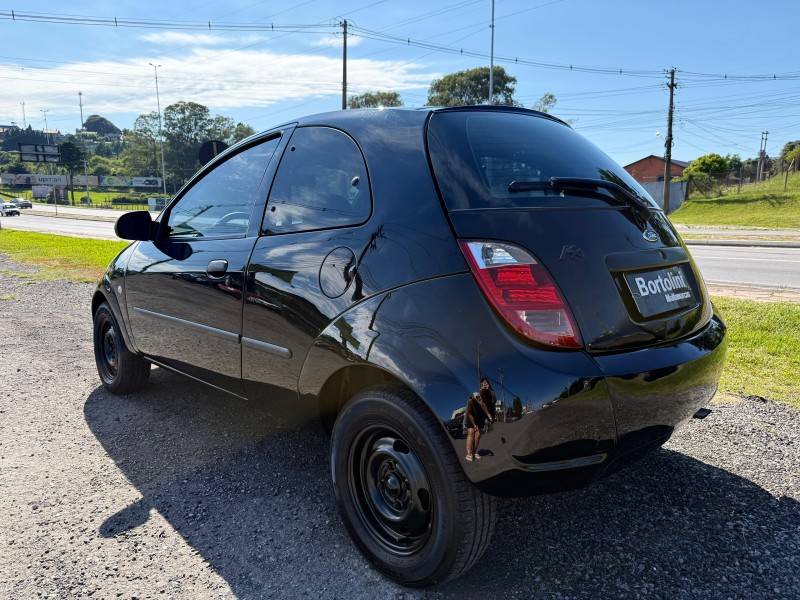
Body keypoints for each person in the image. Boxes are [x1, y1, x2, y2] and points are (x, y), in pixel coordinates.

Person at [465, 392, 493, 461]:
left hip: (479, 419)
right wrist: (474, 425)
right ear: (473, 398)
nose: (479, 399)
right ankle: (469, 454)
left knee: (478, 435)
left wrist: (489, 416)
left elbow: (485, 409)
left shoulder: (481, 402)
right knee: (471, 432)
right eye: (477, 397)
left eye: (479, 397)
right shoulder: (470, 401)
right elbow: (469, 414)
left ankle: (474, 452)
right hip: (471, 417)